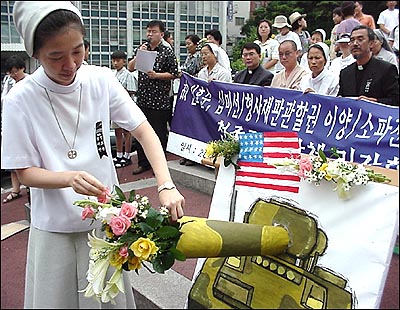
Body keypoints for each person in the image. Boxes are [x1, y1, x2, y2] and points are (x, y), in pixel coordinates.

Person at [2, 2, 185, 308]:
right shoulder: (20, 99)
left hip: (107, 222)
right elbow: (24, 172)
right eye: (56, 57)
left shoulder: (100, 79)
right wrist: (67, 178)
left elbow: (144, 130)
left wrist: (165, 184)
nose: (70, 65)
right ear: (35, 54)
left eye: (77, 51)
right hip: (55, 230)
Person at [128, 20, 180, 175]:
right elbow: (130, 67)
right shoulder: (143, 48)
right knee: (140, 132)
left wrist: (157, 75)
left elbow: (174, 73)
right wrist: (139, 54)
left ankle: (158, 166)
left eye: (154, 31)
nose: (150, 34)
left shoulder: (167, 50)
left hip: (159, 99)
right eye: (148, 31)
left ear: (161, 34)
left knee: (158, 133)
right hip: (143, 97)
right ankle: (143, 163)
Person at [338, 25, 399, 106]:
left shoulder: (386, 69)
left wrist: (375, 102)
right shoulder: (345, 73)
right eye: (352, 40)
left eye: (360, 39)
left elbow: (395, 100)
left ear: (371, 43)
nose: (355, 44)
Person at [2, 55, 29, 204]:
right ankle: (15, 189)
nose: (13, 75)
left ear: (22, 68)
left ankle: (30, 189)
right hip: (10, 123)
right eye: (10, 72)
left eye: (15, 71)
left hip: (24, 124)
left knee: (26, 160)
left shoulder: (30, 83)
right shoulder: (9, 82)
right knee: (12, 158)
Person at [179, 34, 203, 167]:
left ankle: (193, 157)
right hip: (187, 92)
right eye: (186, 44)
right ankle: (186, 154)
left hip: (196, 92)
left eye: (189, 44)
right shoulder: (189, 57)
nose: (187, 46)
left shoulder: (199, 57)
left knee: (195, 123)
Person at [111, 50, 136, 168]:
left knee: (127, 132)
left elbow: (132, 90)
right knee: (117, 131)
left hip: (125, 106)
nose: (115, 63)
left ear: (124, 61)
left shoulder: (128, 74)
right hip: (115, 107)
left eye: (118, 61)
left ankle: (127, 155)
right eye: (114, 61)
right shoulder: (113, 74)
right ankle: (119, 154)